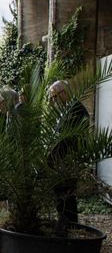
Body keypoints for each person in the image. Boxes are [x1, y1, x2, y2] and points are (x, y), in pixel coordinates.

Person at [48, 80, 90, 234]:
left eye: (54, 97)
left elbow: (67, 139)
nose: (53, 101)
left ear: (64, 93)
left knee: (66, 197)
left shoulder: (75, 109)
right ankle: (67, 227)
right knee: (62, 197)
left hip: (67, 161)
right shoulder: (67, 109)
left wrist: (52, 157)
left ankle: (70, 228)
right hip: (61, 162)